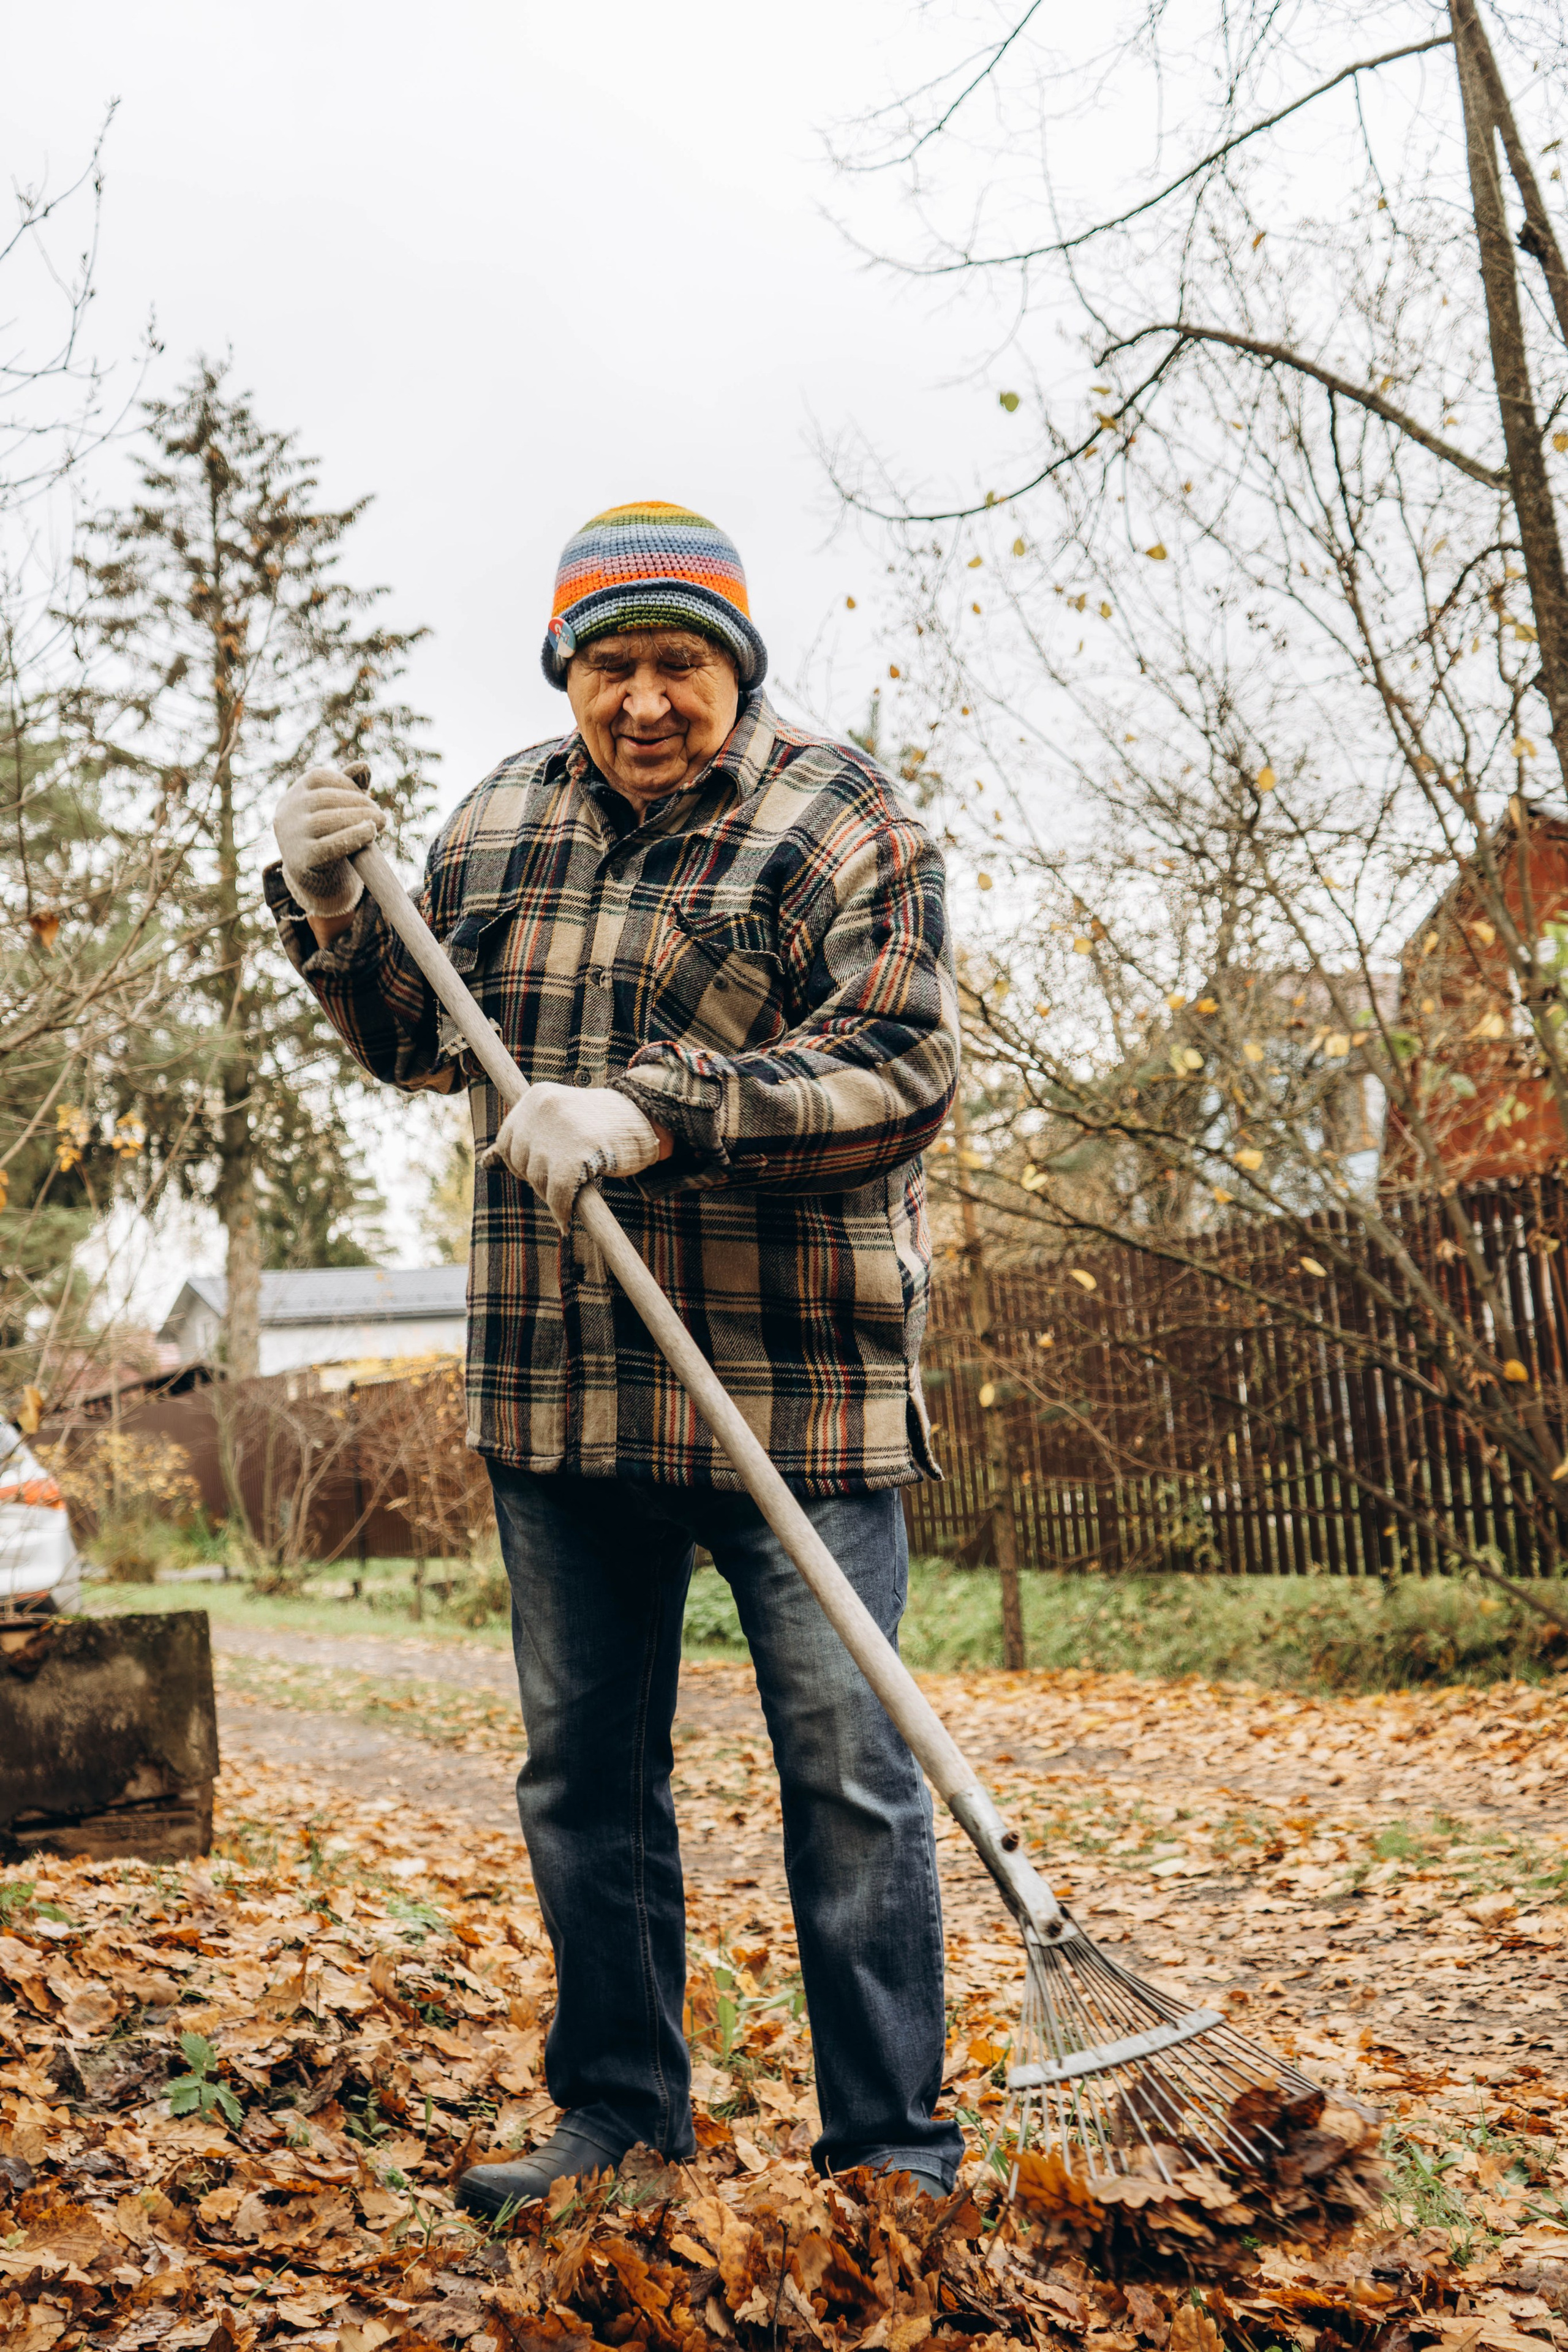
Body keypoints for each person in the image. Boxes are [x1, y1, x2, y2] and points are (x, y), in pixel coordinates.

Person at [268, 500, 962, 2212]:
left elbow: (898, 1070)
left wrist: (659, 1114)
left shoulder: (842, 819)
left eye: (680, 662)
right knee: (588, 1782)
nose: (645, 699)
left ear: (737, 662)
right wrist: (333, 902)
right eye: (610, 664)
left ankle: (891, 2154)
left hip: (795, 1396)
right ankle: (622, 2121)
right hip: (561, 1388)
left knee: (856, 1784)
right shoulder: (499, 819)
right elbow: (412, 1040)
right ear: (566, 669)